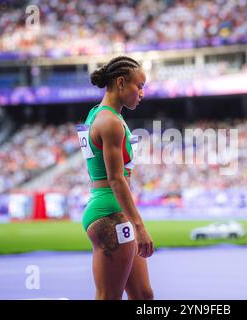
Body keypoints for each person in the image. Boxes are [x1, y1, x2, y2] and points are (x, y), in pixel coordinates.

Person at [76, 56, 154, 300]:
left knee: (143, 295)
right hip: (110, 213)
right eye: (139, 86)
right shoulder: (110, 122)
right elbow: (116, 179)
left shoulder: (98, 114)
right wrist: (139, 226)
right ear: (120, 83)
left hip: (112, 210)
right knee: (109, 296)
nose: (142, 93)